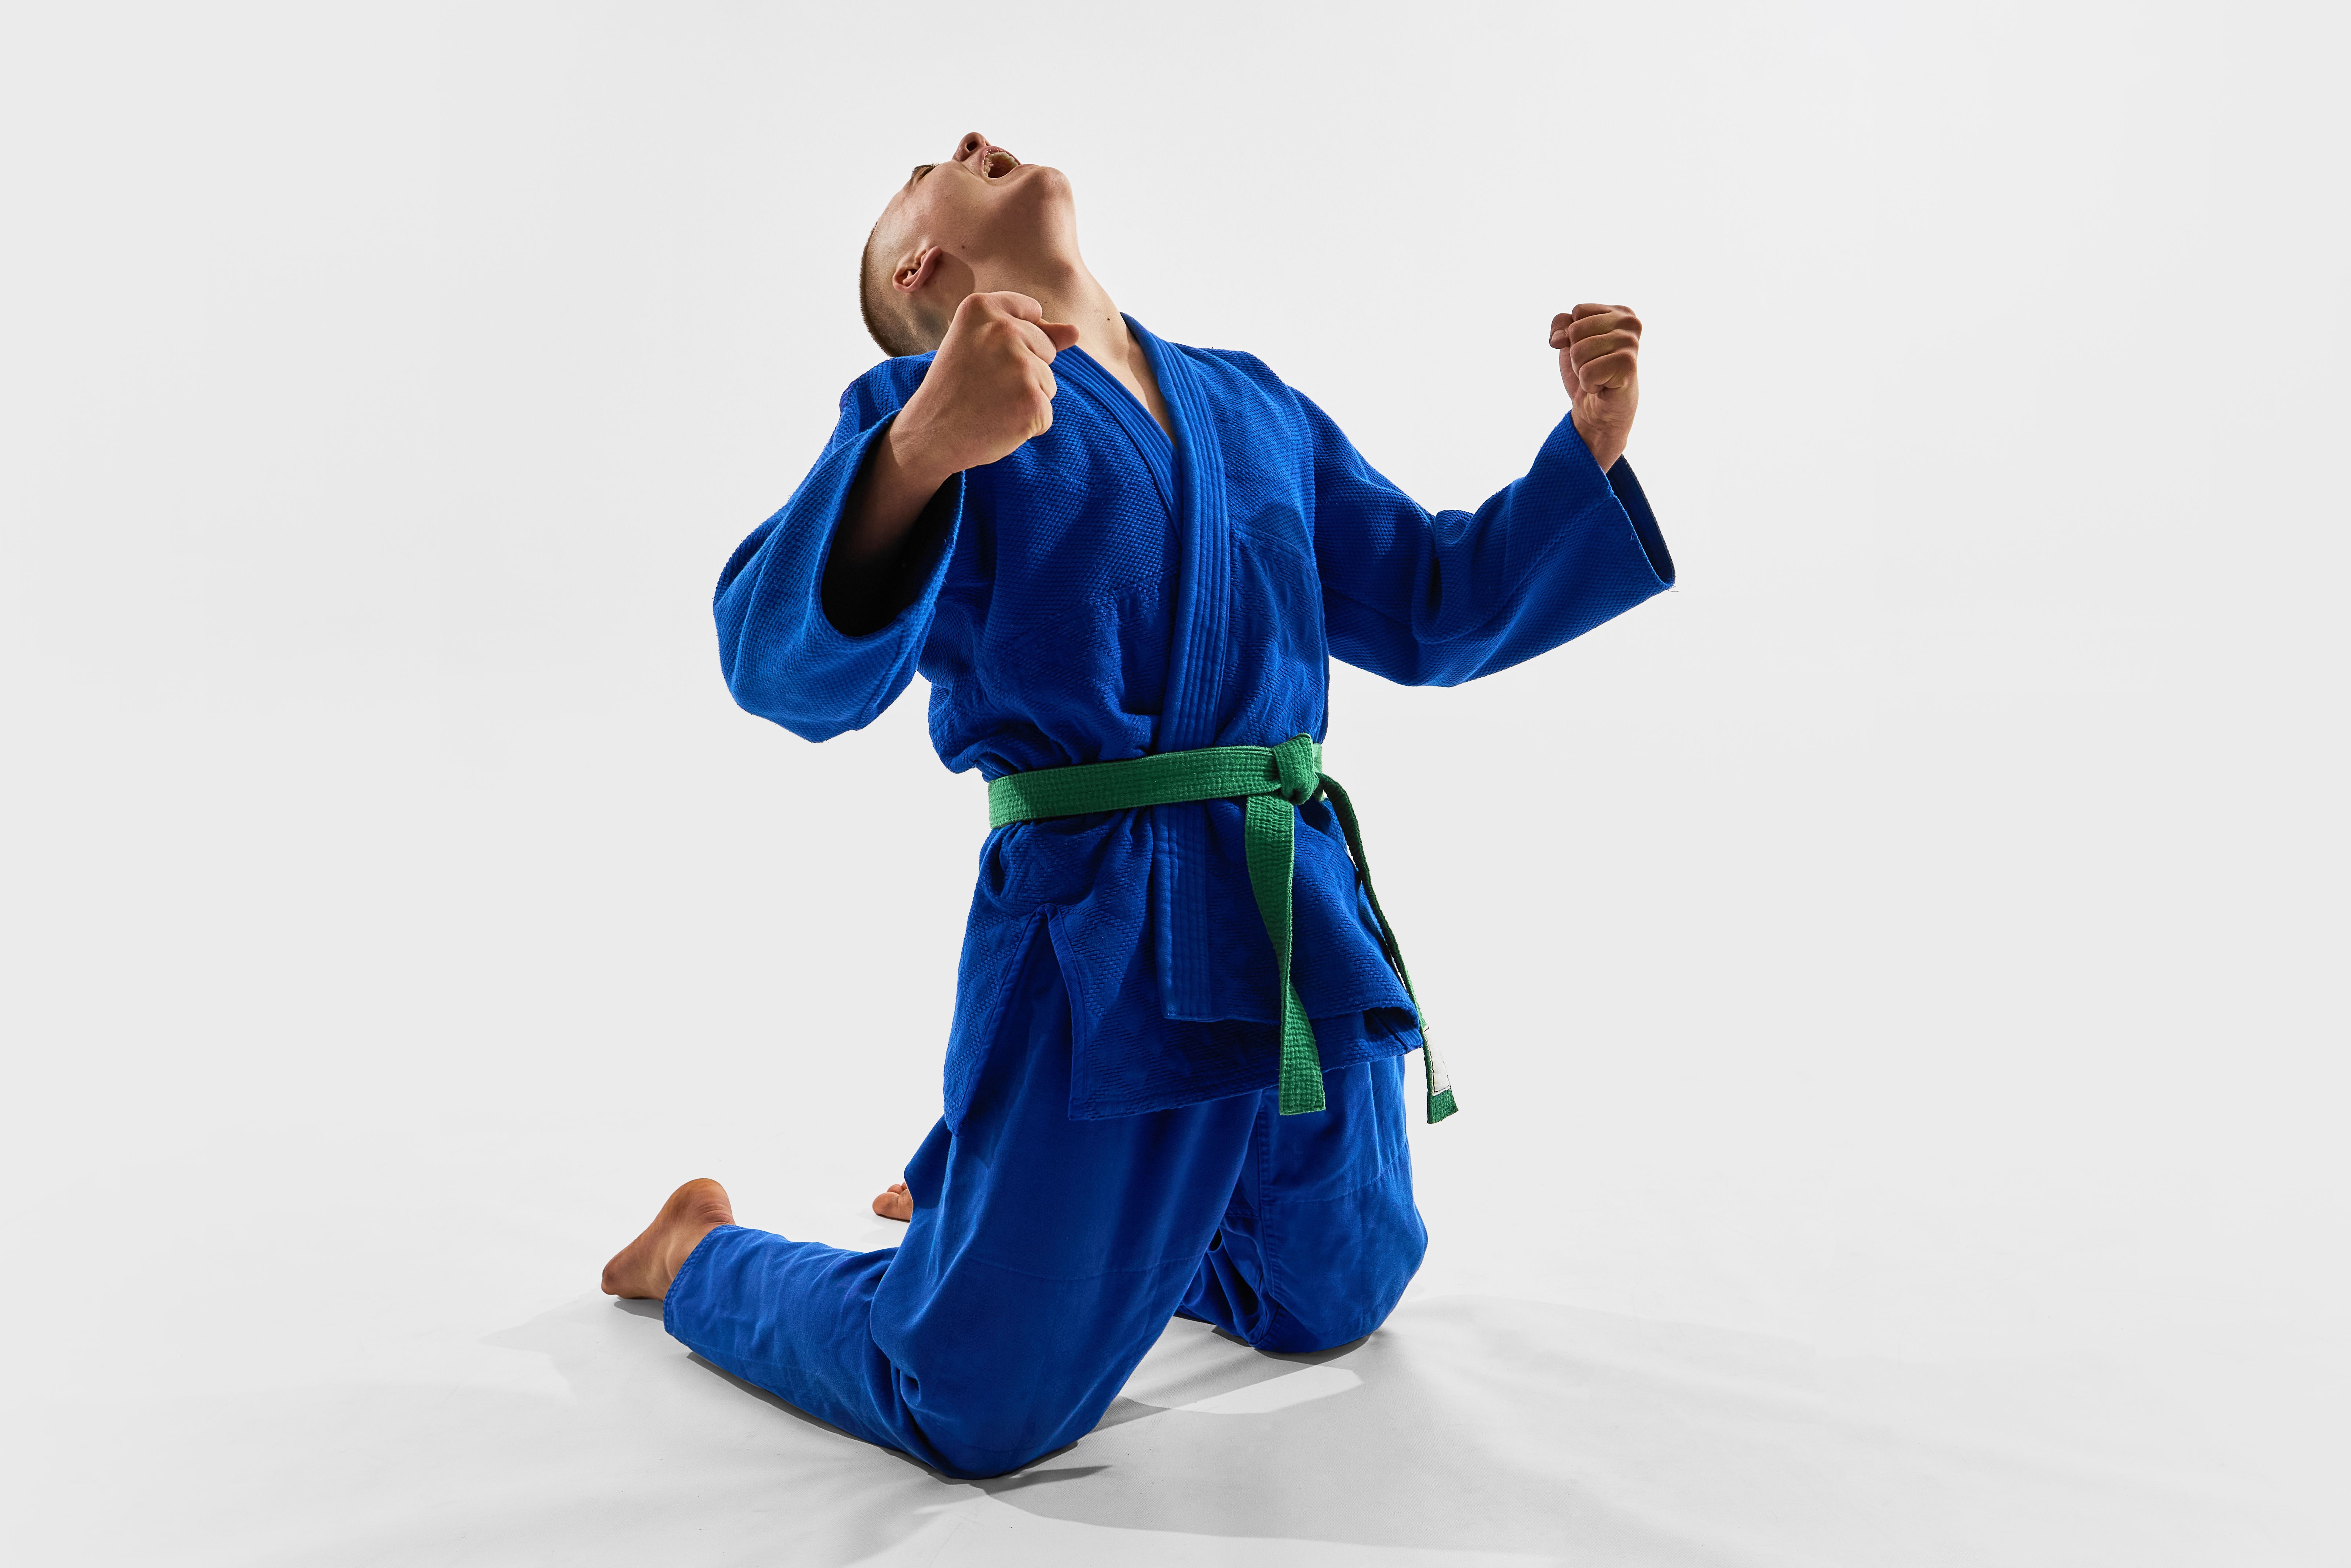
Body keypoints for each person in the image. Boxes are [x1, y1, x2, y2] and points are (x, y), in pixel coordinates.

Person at [602, 130, 1674, 1479]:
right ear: (923, 265)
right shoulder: (917, 406)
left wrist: (1584, 449)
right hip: (1100, 928)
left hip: (1296, 905)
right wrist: (928, 440)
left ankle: (1006, 1215)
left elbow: (1429, 605)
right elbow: (780, 671)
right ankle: (702, 1255)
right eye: (929, 166)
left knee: (1332, 1291)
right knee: (976, 1403)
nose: (976, 142)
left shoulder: (1249, 405)